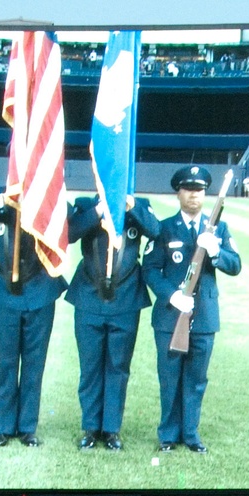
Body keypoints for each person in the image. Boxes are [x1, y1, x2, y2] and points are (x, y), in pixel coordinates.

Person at [142, 165, 241, 453]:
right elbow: (150, 269)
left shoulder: (219, 229)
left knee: (196, 379)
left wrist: (215, 252)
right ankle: (168, 435)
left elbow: (235, 265)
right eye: (188, 189)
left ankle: (191, 433)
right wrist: (172, 295)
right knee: (170, 377)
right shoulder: (163, 228)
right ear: (178, 193)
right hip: (170, 317)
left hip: (205, 317)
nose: (194, 195)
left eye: (199, 190)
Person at [0, 187, 67, 446]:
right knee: (6, 362)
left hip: (40, 290)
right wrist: (2, 200)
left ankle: (27, 428)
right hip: (4, 292)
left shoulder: (48, 191)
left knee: (34, 364)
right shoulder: (1, 194)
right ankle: (3, 426)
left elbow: (67, 224)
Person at [66, 193, 161, 450]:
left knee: (118, 367)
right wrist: (98, 210)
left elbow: (156, 231)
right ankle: (90, 427)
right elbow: (70, 233)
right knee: (90, 366)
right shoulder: (86, 205)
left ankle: (111, 429)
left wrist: (131, 207)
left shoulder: (139, 206)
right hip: (89, 297)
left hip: (126, 298)